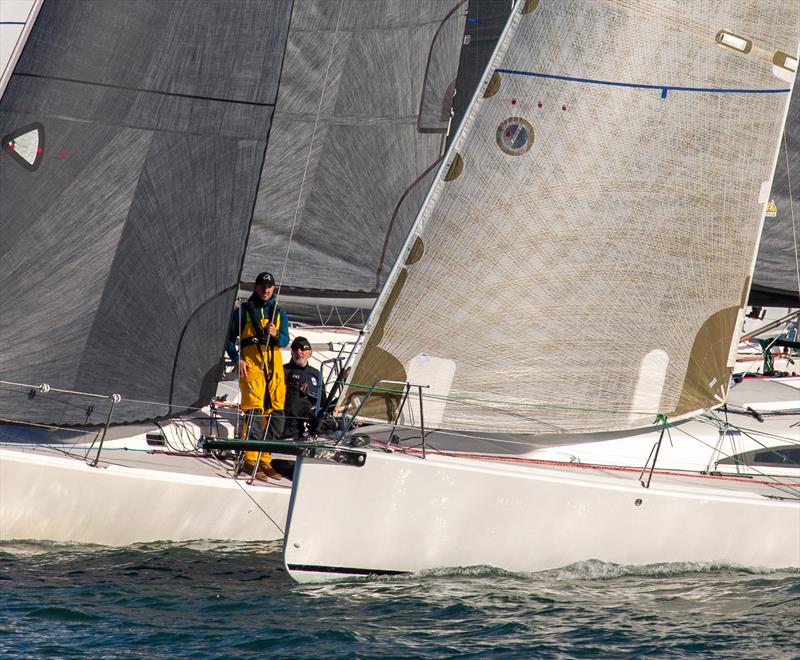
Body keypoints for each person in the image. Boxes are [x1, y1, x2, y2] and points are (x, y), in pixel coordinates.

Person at [226, 271, 288, 480]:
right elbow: (228, 339)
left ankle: (265, 459)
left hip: (274, 369)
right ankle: (250, 458)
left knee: (275, 415)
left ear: (274, 288)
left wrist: (275, 335)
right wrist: (237, 359)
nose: (266, 290)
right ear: (256, 287)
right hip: (252, 367)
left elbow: (285, 340)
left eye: (269, 286)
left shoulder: (279, 312)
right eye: (262, 286)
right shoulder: (242, 311)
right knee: (254, 412)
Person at [283, 336, 325, 438]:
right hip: (289, 424)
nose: (299, 352)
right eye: (295, 349)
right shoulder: (283, 371)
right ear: (292, 353)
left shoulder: (316, 374)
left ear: (310, 353)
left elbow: (323, 400)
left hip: (313, 423)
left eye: (302, 349)